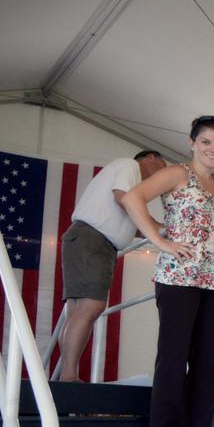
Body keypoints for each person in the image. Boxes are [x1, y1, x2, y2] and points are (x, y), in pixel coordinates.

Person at [121, 116, 214, 427]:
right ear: (192, 143)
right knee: (174, 358)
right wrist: (159, 239)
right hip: (179, 277)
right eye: (206, 142)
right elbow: (131, 199)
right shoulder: (177, 174)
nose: (213, 149)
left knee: (207, 363)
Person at [59, 149, 166, 381]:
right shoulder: (129, 166)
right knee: (91, 306)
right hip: (93, 239)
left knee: (79, 310)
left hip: (91, 240)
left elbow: (135, 221)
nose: (162, 176)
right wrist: (160, 228)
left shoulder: (130, 180)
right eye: (162, 167)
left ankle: (67, 372)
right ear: (151, 159)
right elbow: (123, 198)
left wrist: (162, 231)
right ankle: (68, 374)